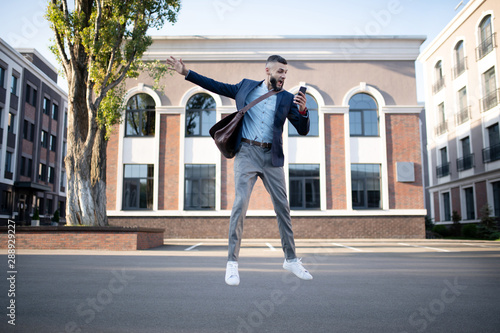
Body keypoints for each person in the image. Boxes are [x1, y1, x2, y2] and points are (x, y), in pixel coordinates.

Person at [166, 55, 313, 286]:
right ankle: (232, 263)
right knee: (240, 203)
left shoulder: (287, 98)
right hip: (246, 153)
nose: (284, 76)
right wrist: (187, 72)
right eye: (280, 72)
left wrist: (304, 112)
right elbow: (216, 85)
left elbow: (302, 129)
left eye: (286, 73)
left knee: (283, 207)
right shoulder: (245, 87)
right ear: (268, 70)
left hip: (271, 157)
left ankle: (291, 259)